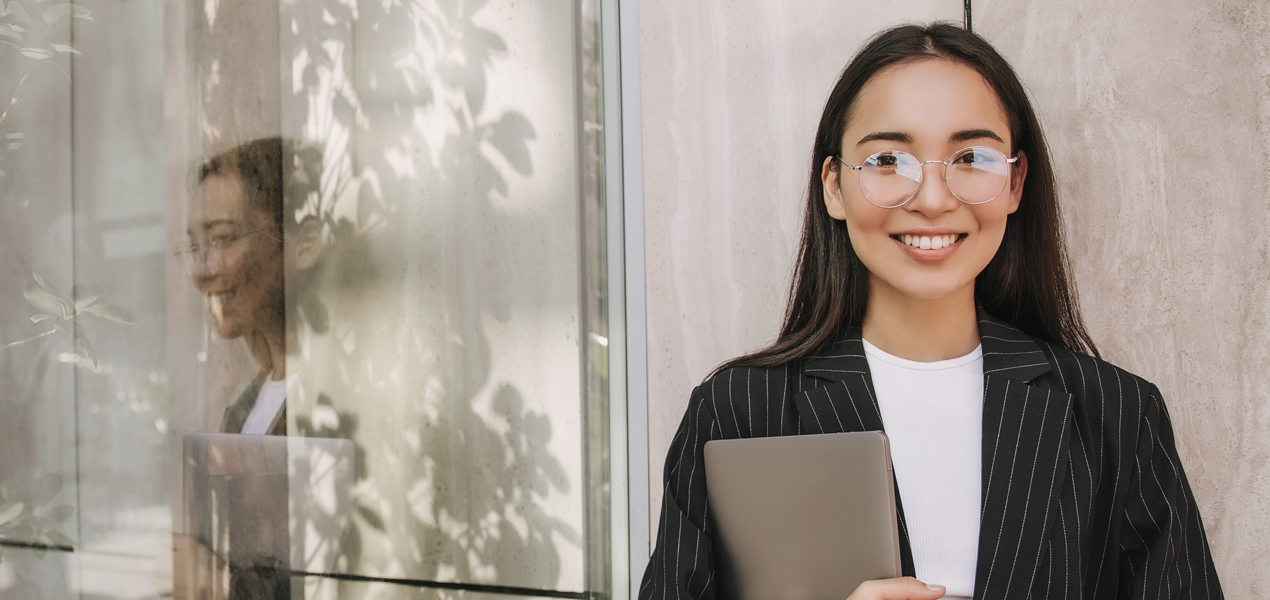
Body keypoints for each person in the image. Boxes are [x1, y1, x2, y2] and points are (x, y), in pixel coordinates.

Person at [638, 23, 1222, 600]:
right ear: (834, 186)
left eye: (971, 157)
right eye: (889, 161)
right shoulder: (740, 412)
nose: (934, 200)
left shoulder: (1114, 416)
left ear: (1016, 183)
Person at [178, 137, 325, 436]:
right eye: (194, 247)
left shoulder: (335, 396)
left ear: (305, 244)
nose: (199, 271)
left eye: (221, 238)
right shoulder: (247, 406)